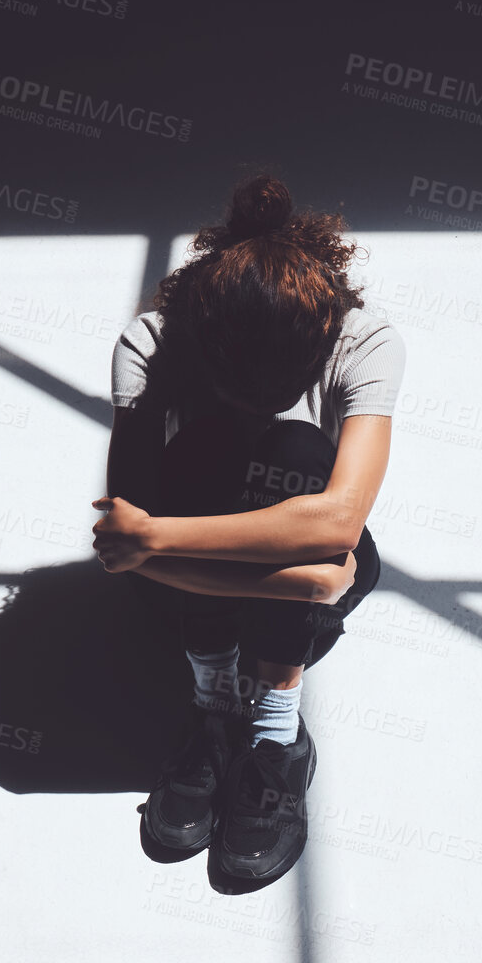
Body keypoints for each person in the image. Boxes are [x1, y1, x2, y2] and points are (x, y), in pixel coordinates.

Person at [91, 174, 404, 887]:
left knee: (296, 452)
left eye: (284, 390)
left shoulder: (365, 340)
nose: (264, 403)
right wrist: (312, 578)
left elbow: (338, 516)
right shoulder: (150, 344)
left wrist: (159, 541)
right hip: (258, 568)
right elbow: (125, 537)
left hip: (231, 547)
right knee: (206, 450)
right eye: (245, 393)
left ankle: (273, 733)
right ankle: (214, 707)